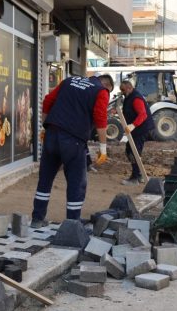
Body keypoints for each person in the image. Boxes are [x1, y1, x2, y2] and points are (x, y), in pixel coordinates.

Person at [30, 74, 114, 228]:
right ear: (107, 86)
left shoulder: (69, 81)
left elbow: (48, 100)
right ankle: (72, 224)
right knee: (77, 182)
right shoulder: (101, 91)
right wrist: (103, 148)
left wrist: (45, 126)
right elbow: (100, 117)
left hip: (51, 135)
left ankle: (37, 219)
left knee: (45, 179)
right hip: (73, 140)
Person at [119, 80, 155, 185]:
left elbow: (143, 114)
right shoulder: (129, 97)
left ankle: (135, 178)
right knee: (130, 150)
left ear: (129, 88)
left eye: (123, 90)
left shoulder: (136, 98)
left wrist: (133, 125)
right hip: (138, 129)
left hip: (141, 129)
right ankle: (139, 175)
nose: (122, 92)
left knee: (133, 151)